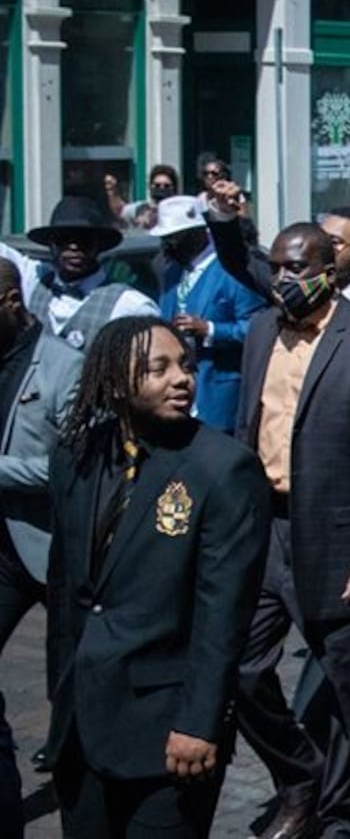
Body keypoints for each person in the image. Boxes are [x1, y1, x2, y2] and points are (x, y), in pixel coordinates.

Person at [229, 222, 350, 839]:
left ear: (330, 269)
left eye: (296, 268)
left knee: (349, 698)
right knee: (240, 671)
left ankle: (345, 819)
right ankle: (300, 776)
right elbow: (247, 430)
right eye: (278, 268)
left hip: (342, 542)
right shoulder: (263, 330)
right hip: (267, 532)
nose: (284, 279)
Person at [43, 317, 271, 836]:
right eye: (158, 368)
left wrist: (199, 721)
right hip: (81, 724)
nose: (181, 378)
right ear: (115, 381)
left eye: (186, 365)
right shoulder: (76, 454)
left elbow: (224, 614)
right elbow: (64, 590)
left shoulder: (222, 468)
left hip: (167, 731)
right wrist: (62, 695)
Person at [0, 261, 83, 832]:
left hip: (57, 548)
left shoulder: (62, 366)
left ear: (10, 301)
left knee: (74, 687)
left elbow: (75, 466)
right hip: (0, 552)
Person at [150, 195, 267, 434]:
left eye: (175, 238)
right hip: (176, 395)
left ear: (197, 233)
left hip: (219, 394)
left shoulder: (232, 268)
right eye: (165, 239)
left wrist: (211, 330)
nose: (168, 246)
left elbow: (258, 328)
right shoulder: (171, 271)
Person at [0, 195, 159, 350]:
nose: (74, 247)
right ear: (51, 244)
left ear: (99, 245)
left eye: (84, 240)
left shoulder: (131, 307)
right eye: (64, 239)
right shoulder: (34, 281)